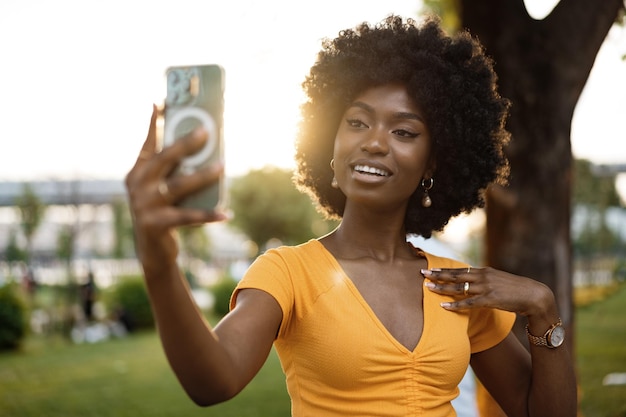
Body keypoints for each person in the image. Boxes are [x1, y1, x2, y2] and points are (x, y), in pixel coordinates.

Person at [125, 15, 577, 417]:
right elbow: (213, 381)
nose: (374, 142)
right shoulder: (288, 274)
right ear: (330, 144)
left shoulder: (460, 287)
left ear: (434, 162)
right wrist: (160, 263)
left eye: (403, 131)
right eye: (357, 122)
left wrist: (543, 308)